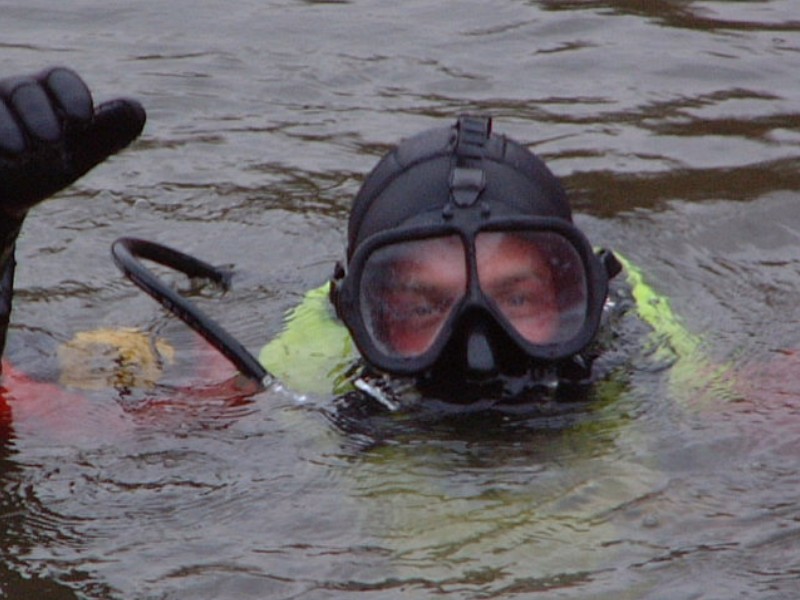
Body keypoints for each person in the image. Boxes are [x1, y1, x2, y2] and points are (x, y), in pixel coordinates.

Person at [1, 66, 656, 416]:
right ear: (354, 317)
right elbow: (19, 408)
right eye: (423, 305)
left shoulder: (673, 381)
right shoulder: (265, 394)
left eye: (519, 297)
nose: (478, 351)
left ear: (584, 296)